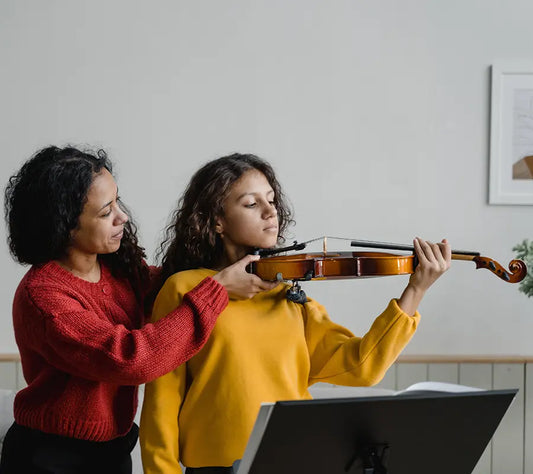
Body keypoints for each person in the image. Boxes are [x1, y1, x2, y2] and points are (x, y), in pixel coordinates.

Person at [139, 153, 452, 474]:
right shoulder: (186, 289)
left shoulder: (289, 295)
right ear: (216, 220)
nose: (270, 211)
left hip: (295, 461)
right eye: (251, 204)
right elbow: (160, 408)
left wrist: (416, 290)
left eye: (272, 200)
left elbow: (363, 367)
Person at [0, 146, 276, 474]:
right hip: (50, 459)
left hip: (112, 451)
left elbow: (174, 288)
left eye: (118, 202)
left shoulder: (119, 271)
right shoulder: (44, 298)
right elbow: (132, 359)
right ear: (65, 225)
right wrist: (217, 289)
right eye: (106, 212)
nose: (123, 217)